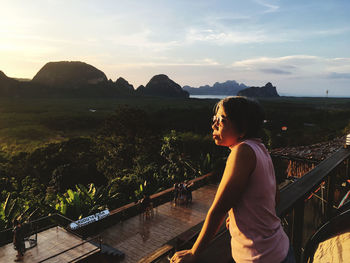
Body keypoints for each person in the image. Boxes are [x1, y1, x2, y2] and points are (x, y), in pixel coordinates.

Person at [170, 97, 294, 263]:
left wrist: (194, 252)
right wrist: (240, 217)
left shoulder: (242, 152)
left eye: (221, 120)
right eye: (214, 119)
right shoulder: (260, 148)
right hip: (280, 248)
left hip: (261, 257)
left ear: (242, 128)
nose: (214, 125)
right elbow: (274, 199)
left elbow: (219, 209)